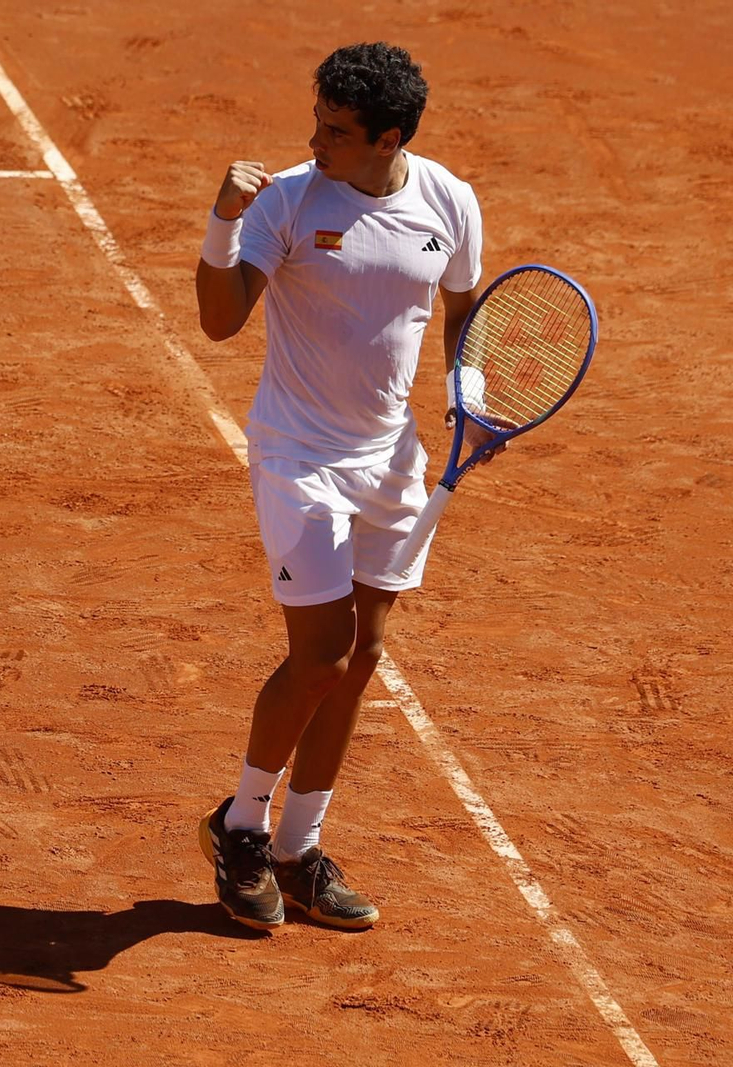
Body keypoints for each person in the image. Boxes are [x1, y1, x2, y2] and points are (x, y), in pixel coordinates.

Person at [193, 42, 503, 930]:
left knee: (361, 660)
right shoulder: (289, 198)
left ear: (389, 138)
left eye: (336, 130)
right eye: (316, 120)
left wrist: (468, 396)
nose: (314, 139)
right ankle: (240, 825)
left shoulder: (449, 201)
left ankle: (298, 848)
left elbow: (460, 310)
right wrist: (222, 221)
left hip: (392, 462)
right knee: (321, 654)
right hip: (299, 457)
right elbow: (219, 323)